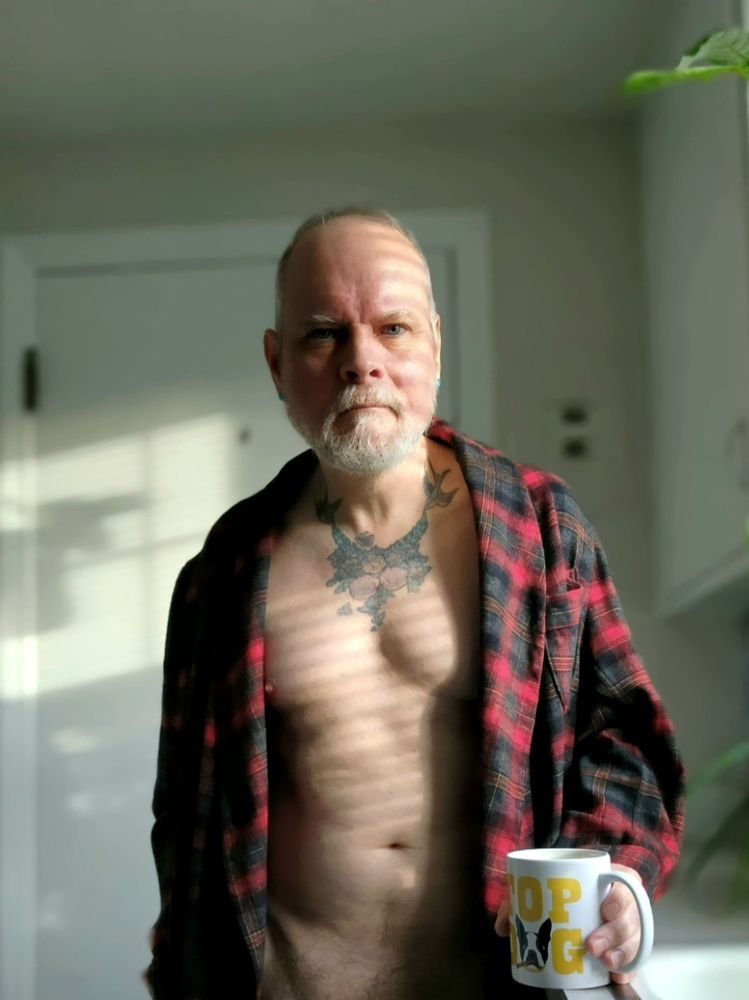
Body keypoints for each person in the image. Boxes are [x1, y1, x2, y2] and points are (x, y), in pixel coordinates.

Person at [145, 207, 684, 1000]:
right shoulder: (221, 574)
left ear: (433, 340)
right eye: (323, 334)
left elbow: (623, 736)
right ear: (276, 361)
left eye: (392, 328)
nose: (362, 362)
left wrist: (623, 883)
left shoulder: (538, 525)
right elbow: (185, 830)